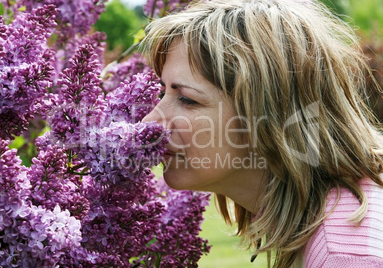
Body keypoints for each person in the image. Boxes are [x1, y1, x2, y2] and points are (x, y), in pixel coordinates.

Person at [141, 0, 383, 267]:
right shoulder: (329, 220)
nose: (151, 120)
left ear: (268, 115)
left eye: (187, 99)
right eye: (163, 92)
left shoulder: (345, 256)